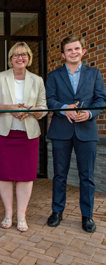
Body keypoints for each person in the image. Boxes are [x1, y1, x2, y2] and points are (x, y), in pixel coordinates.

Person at [45, 35, 106, 233]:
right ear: (63, 54)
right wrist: (64, 109)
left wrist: (89, 113)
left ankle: (87, 216)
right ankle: (57, 211)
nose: (73, 52)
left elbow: (101, 100)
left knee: (87, 176)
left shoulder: (94, 74)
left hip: (86, 131)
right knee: (59, 175)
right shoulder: (54, 76)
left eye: (77, 49)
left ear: (83, 51)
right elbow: (50, 100)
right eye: (69, 50)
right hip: (61, 130)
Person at [0, 42, 47, 232]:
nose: (20, 58)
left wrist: (31, 111)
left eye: (24, 55)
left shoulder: (37, 80)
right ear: (10, 59)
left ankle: (21, 215)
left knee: (25, 176)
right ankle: (8, 213)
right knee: (3, 175)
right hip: (2, 133)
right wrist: (11, 108)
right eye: (16, 55)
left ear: (29, 58)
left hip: (27, 135)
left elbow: (44, 108)